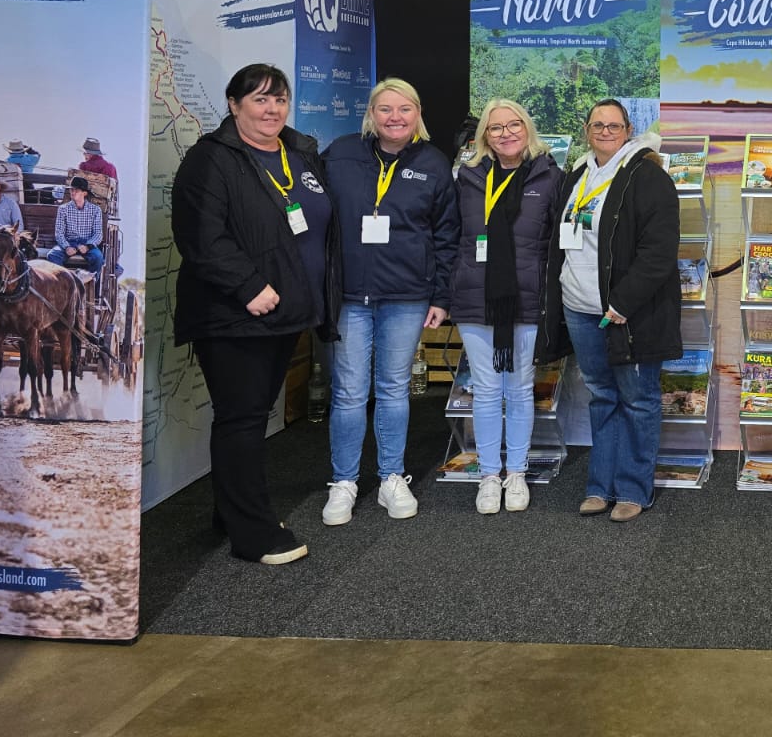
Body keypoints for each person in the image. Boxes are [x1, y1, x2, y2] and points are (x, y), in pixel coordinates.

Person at [171, 64, 339, 566]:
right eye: (260, 100)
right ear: (233, 104)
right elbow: (201, 235)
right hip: (235, 314)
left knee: (247, 419)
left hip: (287, 312)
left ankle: (232, 511)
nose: (272, 109)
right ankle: (254, 535)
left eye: (280, 99)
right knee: (242, 420)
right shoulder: (211, 160)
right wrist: (248, 287)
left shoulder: (300, 152)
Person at [319, 78, 459, 527]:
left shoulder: (434, 164)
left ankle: (391, 478)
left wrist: (440, 295)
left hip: (407, 294)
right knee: (349, 392)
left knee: (395, 388)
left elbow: (446, 235)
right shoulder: (339, 155)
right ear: (371, 114)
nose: (394, 117)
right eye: (385, 109)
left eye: (404, 109)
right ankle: (343, 481)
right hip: (348, 295)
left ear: (418, 114)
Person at [541, 99, 680, 523]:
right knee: (602, 397)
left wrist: (622, 303)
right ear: (587, 130)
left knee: (638, 399)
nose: (605, 131)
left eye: (614, 125)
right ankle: (600, 486)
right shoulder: (577, 175)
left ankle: (634, 490)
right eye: (598, 124)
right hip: (579, 308)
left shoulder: (648, 176)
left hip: (626, 311)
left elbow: (658, 253)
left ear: (628, 129)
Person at [450, 98, 562, 515]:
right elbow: (451, 235)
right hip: (476, 297)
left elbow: (557, 243)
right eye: (495, 128)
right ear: (484, 136)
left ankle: (515, 472)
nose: (506, 133)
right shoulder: (467, 176)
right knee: (485, 390)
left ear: (527, 129)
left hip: (527, 299)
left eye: (514, 125)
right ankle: (488, 475)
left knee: (518, 389)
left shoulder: (549, 176)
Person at [46, 176, 105, 272]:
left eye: (76, 190)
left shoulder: (95, 210)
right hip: (69, 242)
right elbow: (59, 233)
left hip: (87, 243)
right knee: (52, 255)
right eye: (71, 190)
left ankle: (91, 284)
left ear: (84, 193)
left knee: (98, 258)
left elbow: (98, 234)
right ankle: (62, 282)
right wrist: (66, 247)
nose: (73, 192)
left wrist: (87, 246)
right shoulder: (63, 209)